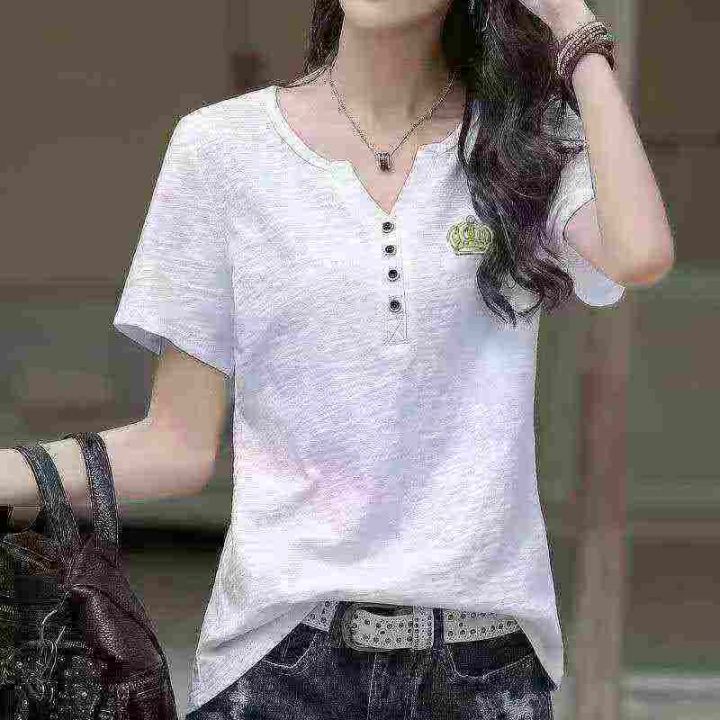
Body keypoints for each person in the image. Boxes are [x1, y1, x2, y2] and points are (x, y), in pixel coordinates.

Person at [0, 0, 674, 718]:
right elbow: (177, 444)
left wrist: (571, 24)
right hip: (281, 663)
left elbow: (639, 253)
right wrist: (13, 470)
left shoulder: (519, 146)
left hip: (483, 666)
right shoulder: (221, 150)